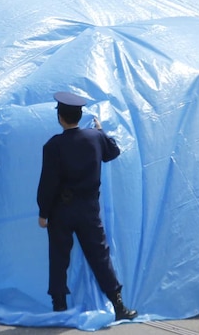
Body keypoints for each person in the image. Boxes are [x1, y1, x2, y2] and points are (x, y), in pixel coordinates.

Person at [37, 92, 137, 320]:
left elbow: (48, 183)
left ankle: (59, 307)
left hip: (60, 210)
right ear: (80, 116)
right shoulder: (95, 138)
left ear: (60, 118)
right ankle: (119, 306)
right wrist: (101, 131)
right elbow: (113, 152)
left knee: (59, 257)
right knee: (100, 256)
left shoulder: (53, 145)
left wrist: (43, 212)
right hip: (88, 208)